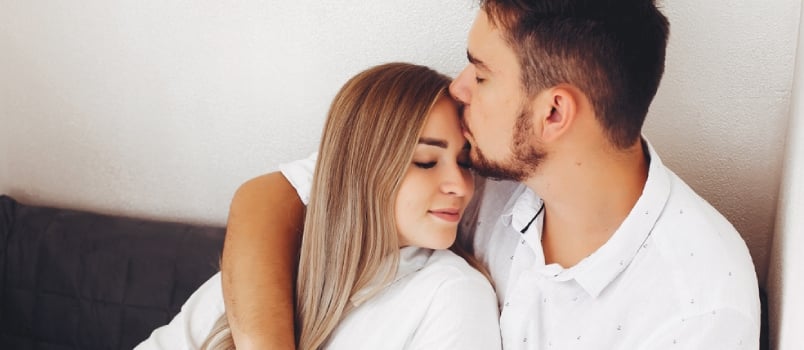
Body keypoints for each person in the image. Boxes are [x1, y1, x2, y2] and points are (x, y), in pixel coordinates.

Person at [222, 0, 762, 349]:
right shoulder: (478, 172)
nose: (459, 88)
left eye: (480, 74)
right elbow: (270, 198)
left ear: (553, 113)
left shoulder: (699, 309)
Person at [136, 62, 502, 350]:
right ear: (363, 170)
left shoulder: (453, 295)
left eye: (465, 162)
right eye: (425, 161)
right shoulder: (274, 264)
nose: (460, 185)